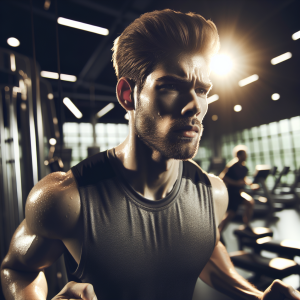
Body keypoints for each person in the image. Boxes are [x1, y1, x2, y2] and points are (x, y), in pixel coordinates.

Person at [1, 9, 299, 300]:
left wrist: (257, 295)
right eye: (171, 86)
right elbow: (17, 269)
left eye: (202, 90)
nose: (194, 105)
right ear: (127, 95)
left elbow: (204, 249)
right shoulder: (65, 197)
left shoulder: (212, 193)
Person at [218, 145, 258, 233]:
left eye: (246, 154)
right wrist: (235, 183)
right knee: (230, 214)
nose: (246, 156)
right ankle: (218, 232)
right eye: (244, 155)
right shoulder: (232, 166)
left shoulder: (244, 168)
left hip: (240, 192)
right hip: (232, 194)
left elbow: (243, 179)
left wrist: (251, 185)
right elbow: (222, 177)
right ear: (238, 156)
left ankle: (246, 225)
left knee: (250, 203)